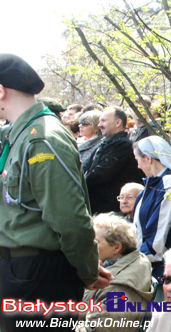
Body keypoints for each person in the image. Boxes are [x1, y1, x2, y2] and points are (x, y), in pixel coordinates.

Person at [0, 54, 112, 331]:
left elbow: (70, 220)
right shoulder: (20, 134)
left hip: (37, 275)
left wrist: (85, 270)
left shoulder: (43, 138)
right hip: (18, 271)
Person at [78, 213, 153, 332]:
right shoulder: (131, 263)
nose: (87, 246)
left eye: (94, 242)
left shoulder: (120, 286)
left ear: (117, 248)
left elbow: (102, 327)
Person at [133, 135, 171, 279]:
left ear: (148, 158)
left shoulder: (170, 184)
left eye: (138, 160)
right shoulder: (154, 185)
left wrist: (141, 258)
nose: (138, 166)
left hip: (163, 270)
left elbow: (159, 238)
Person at [84, 106, 143, 214]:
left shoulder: (123, 146)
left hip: (112, 210)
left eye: (103, 121)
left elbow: (100, 174)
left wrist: (81, 183)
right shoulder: (102, 144)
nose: (99, 125)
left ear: (118, 123)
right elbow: (85, 167)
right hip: (96, 207)